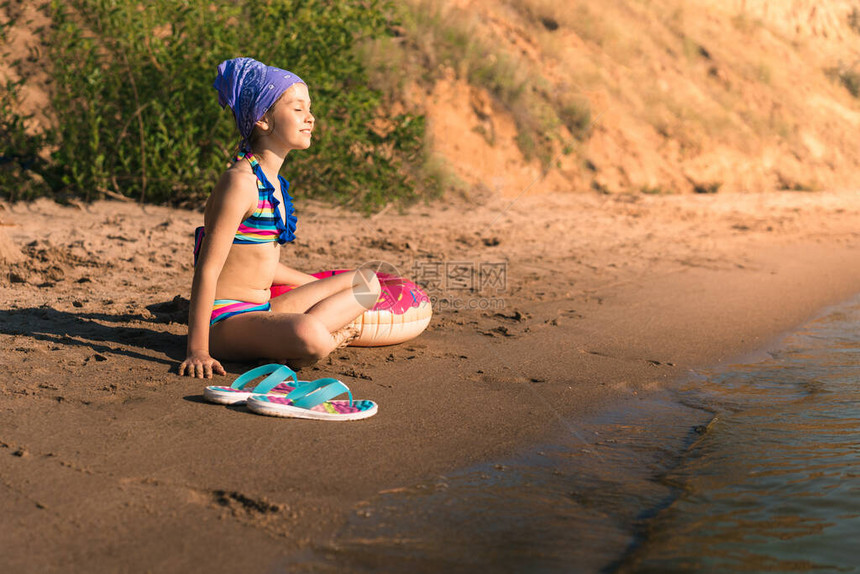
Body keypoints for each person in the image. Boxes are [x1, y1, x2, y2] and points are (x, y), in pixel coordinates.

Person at [179, 57, 381, 379]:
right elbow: (208, 267)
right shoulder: (240, 183)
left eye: (310, 108)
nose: (310, 117)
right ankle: (332, 338)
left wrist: (320, 287)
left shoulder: (271, 182)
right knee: (310, 335)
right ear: (263, 119)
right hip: (227, 321)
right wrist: (198, 350)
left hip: (263, 310)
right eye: (298, 108)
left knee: (368, 280)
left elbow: (261, 263)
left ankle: (309, 336)